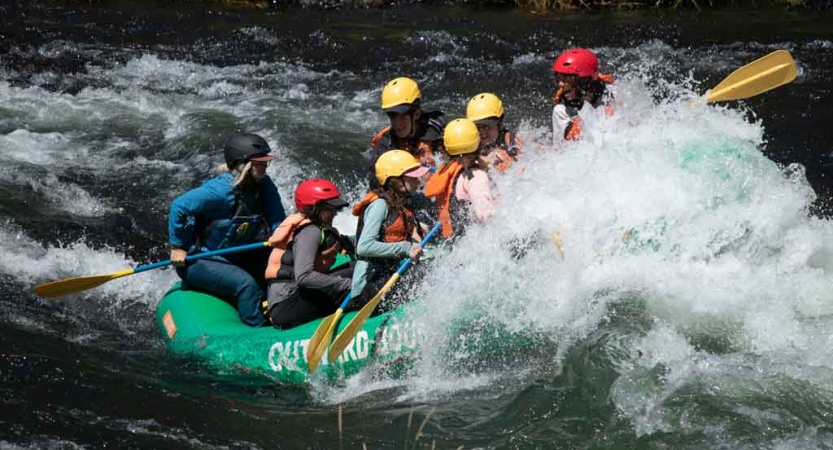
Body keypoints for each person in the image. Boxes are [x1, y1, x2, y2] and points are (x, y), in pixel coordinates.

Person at [169, 132, 286, 327]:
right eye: (259, 163)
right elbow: (179, 206)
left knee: (285, 267)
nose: (264, 167)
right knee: (246, 285)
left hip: (238, 255)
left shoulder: (264, 185)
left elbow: (277, 220)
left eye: (266, 162)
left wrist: (280, 239)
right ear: (243, 164)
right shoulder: (220, 191)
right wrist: (178, 247)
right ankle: (258, 329)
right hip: (202, 260)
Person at [263, 178, 354, 329]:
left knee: (355, 268)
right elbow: (304, 277)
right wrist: (345, 284)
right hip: (286, 306)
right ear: (315, 208)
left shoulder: (317, 227)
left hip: (295, 297)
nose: (335, 213)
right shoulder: (310, 231)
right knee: (353, 288)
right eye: (330, 209)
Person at [351, 150, 429, 308]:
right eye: (413, 177)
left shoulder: (400, 203)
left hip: (388, 275)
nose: (418, 182)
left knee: (434, 265)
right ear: (396, 181)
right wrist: (406, 247)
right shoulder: (379, 205)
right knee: (429, 272)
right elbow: (364, 247)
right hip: (369, 286)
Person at [425, 118, 498, 239]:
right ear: (478, 143)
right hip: (471, 241)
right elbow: (486, 213)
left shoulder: (446, 168)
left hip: (453, 239)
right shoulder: (475, 176)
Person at [370, 77, 447, 171]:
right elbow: (374, 176)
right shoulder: (387, 144)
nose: (398, 124)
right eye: (392, 115)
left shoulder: (439, 128)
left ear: (416, 114)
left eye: (403, 116)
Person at [551, 48, 615, 142]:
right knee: (558, 110)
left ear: (584, 82)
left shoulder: (610, 93)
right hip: (578, 144)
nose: (560, 84)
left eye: (567, 80)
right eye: (558, 79)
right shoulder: (563, 102)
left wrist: (584, 122)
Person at [466, 92, 523, 174]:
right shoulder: (470, 143)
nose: (482, 132)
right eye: (477, 127)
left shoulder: (510, 140)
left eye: (486, 126)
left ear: (500, 124)